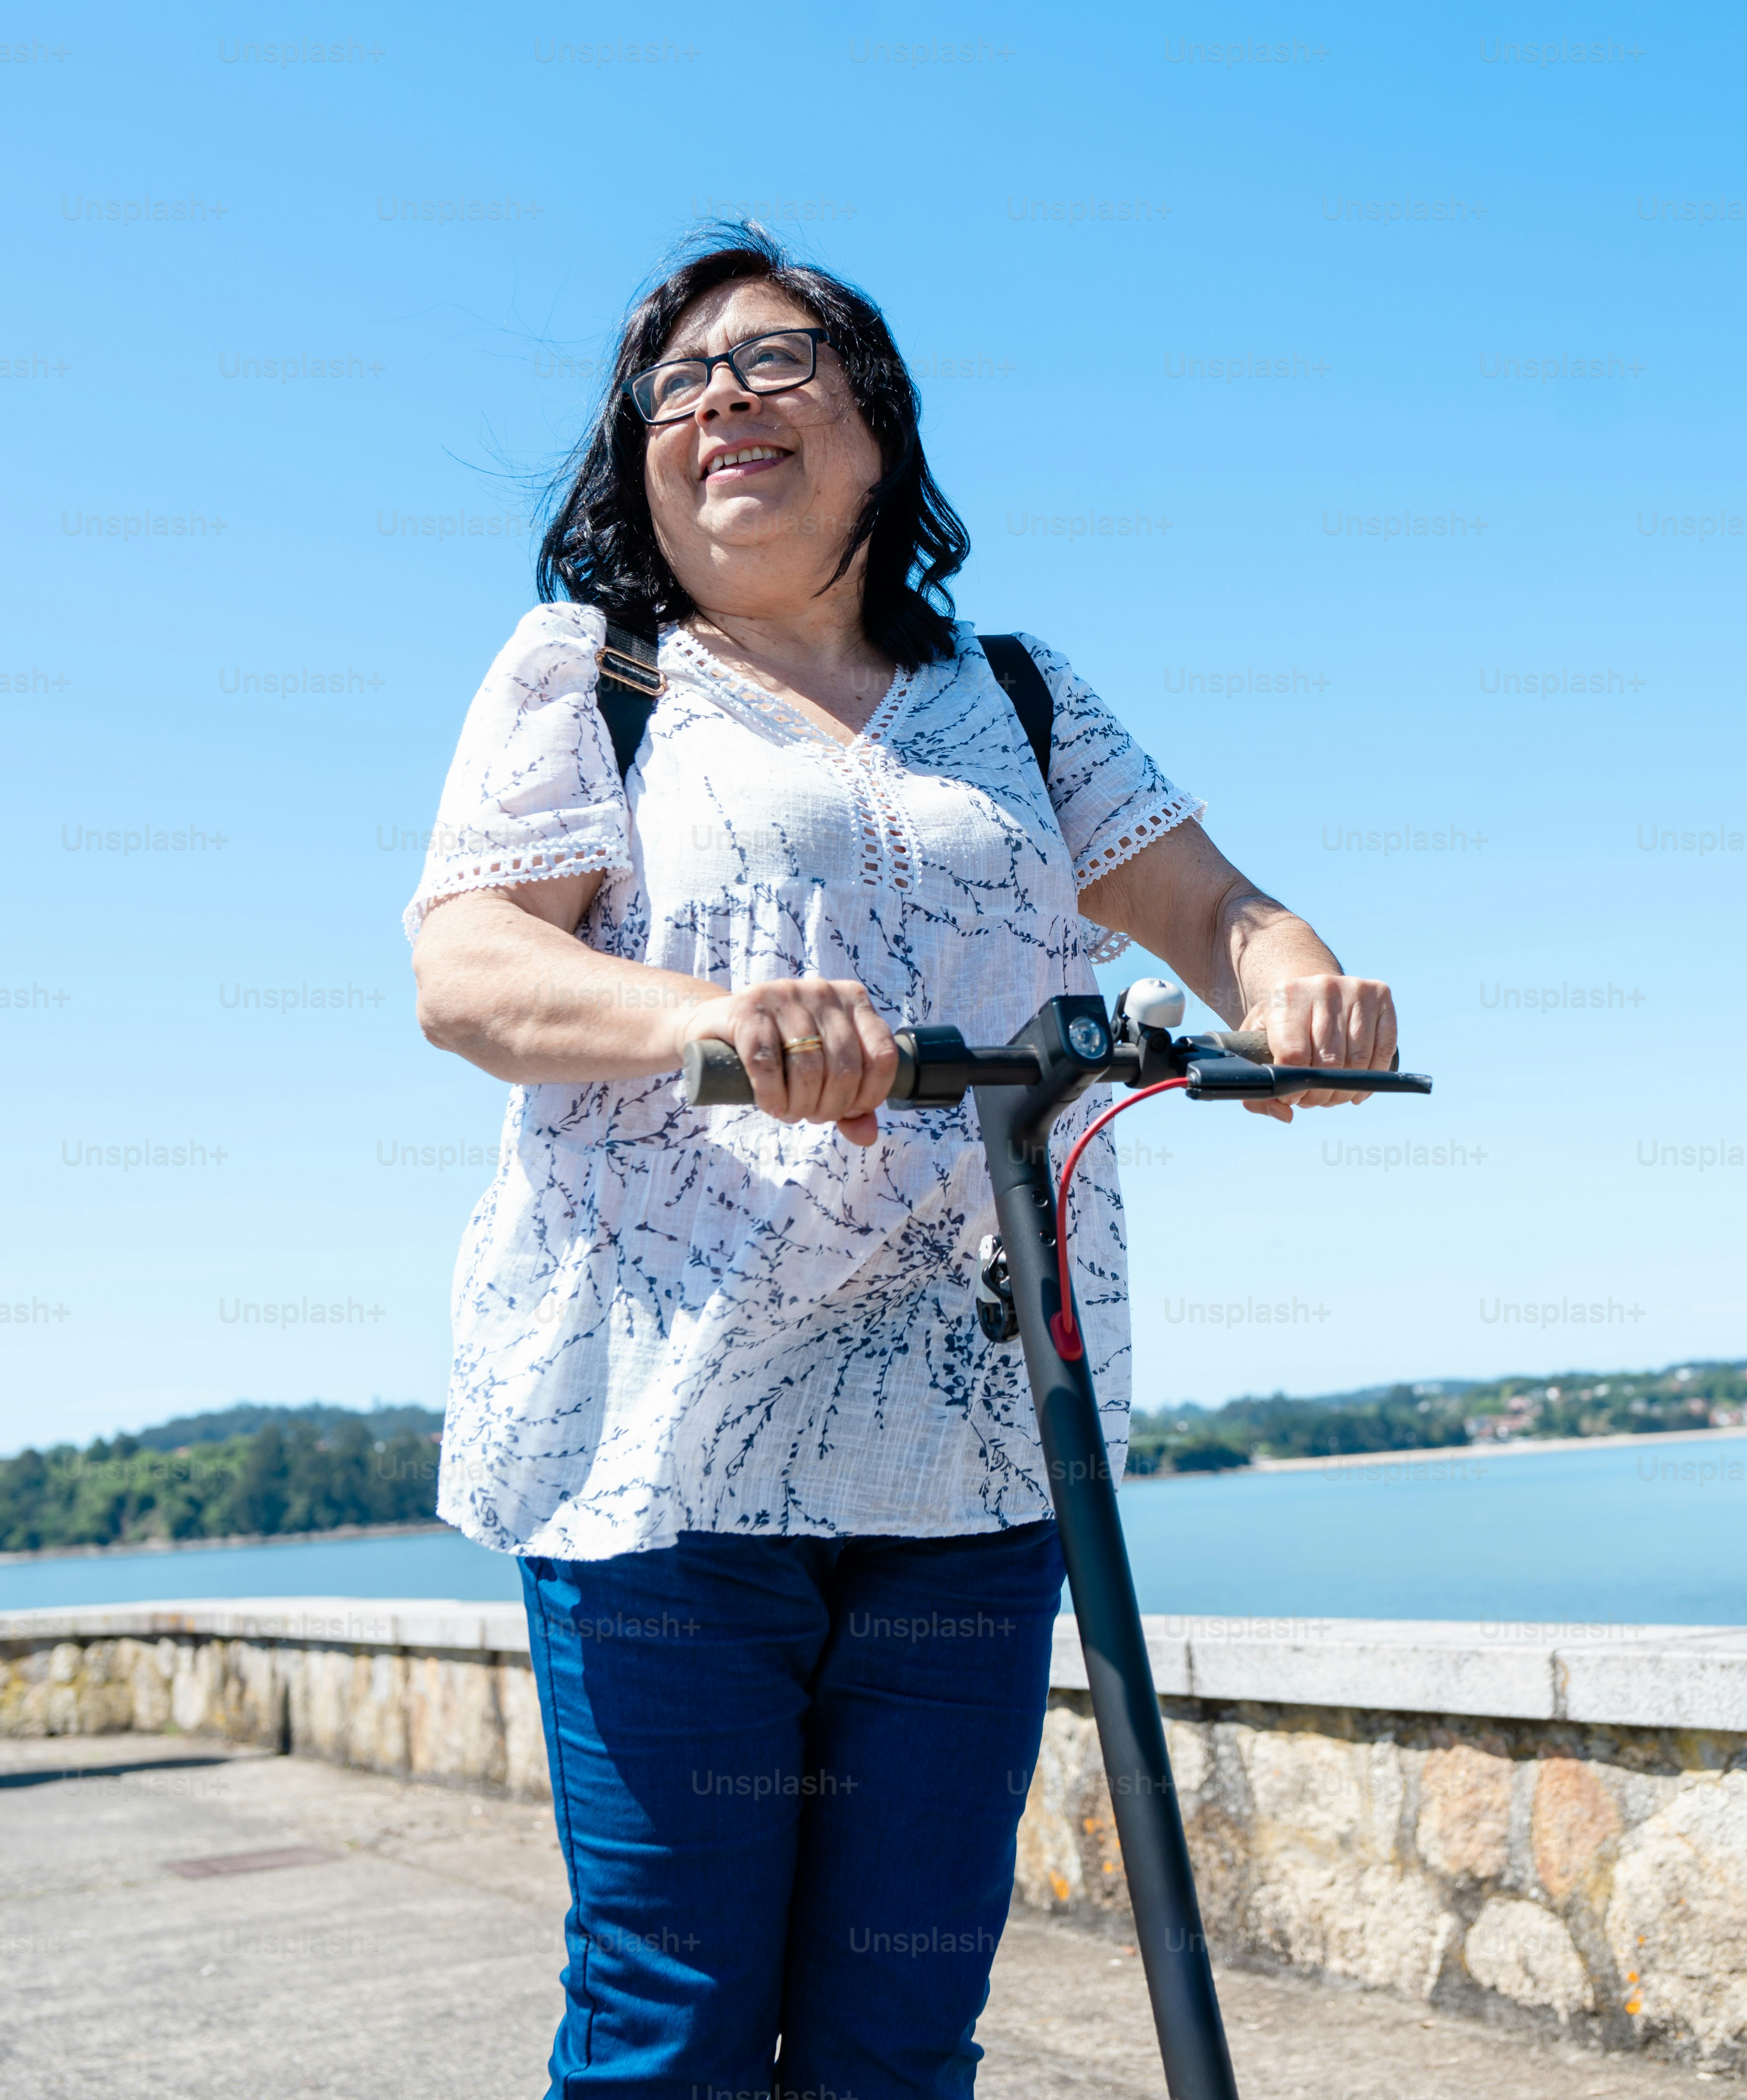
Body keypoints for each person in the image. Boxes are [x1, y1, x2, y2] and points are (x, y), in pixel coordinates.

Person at [404, 225, 1396, 2099]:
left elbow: (1214, 909)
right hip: (665, 1450)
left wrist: (1302, 991)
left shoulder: (1015, 700)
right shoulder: (590, 676)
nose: (723, 405)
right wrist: (721, 1025)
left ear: (877, 426)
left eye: (774, 364)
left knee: (898, 2030)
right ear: (635, 459)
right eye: (675, 384)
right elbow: (467, 965)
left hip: (971, 1441)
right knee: (671, 2027)